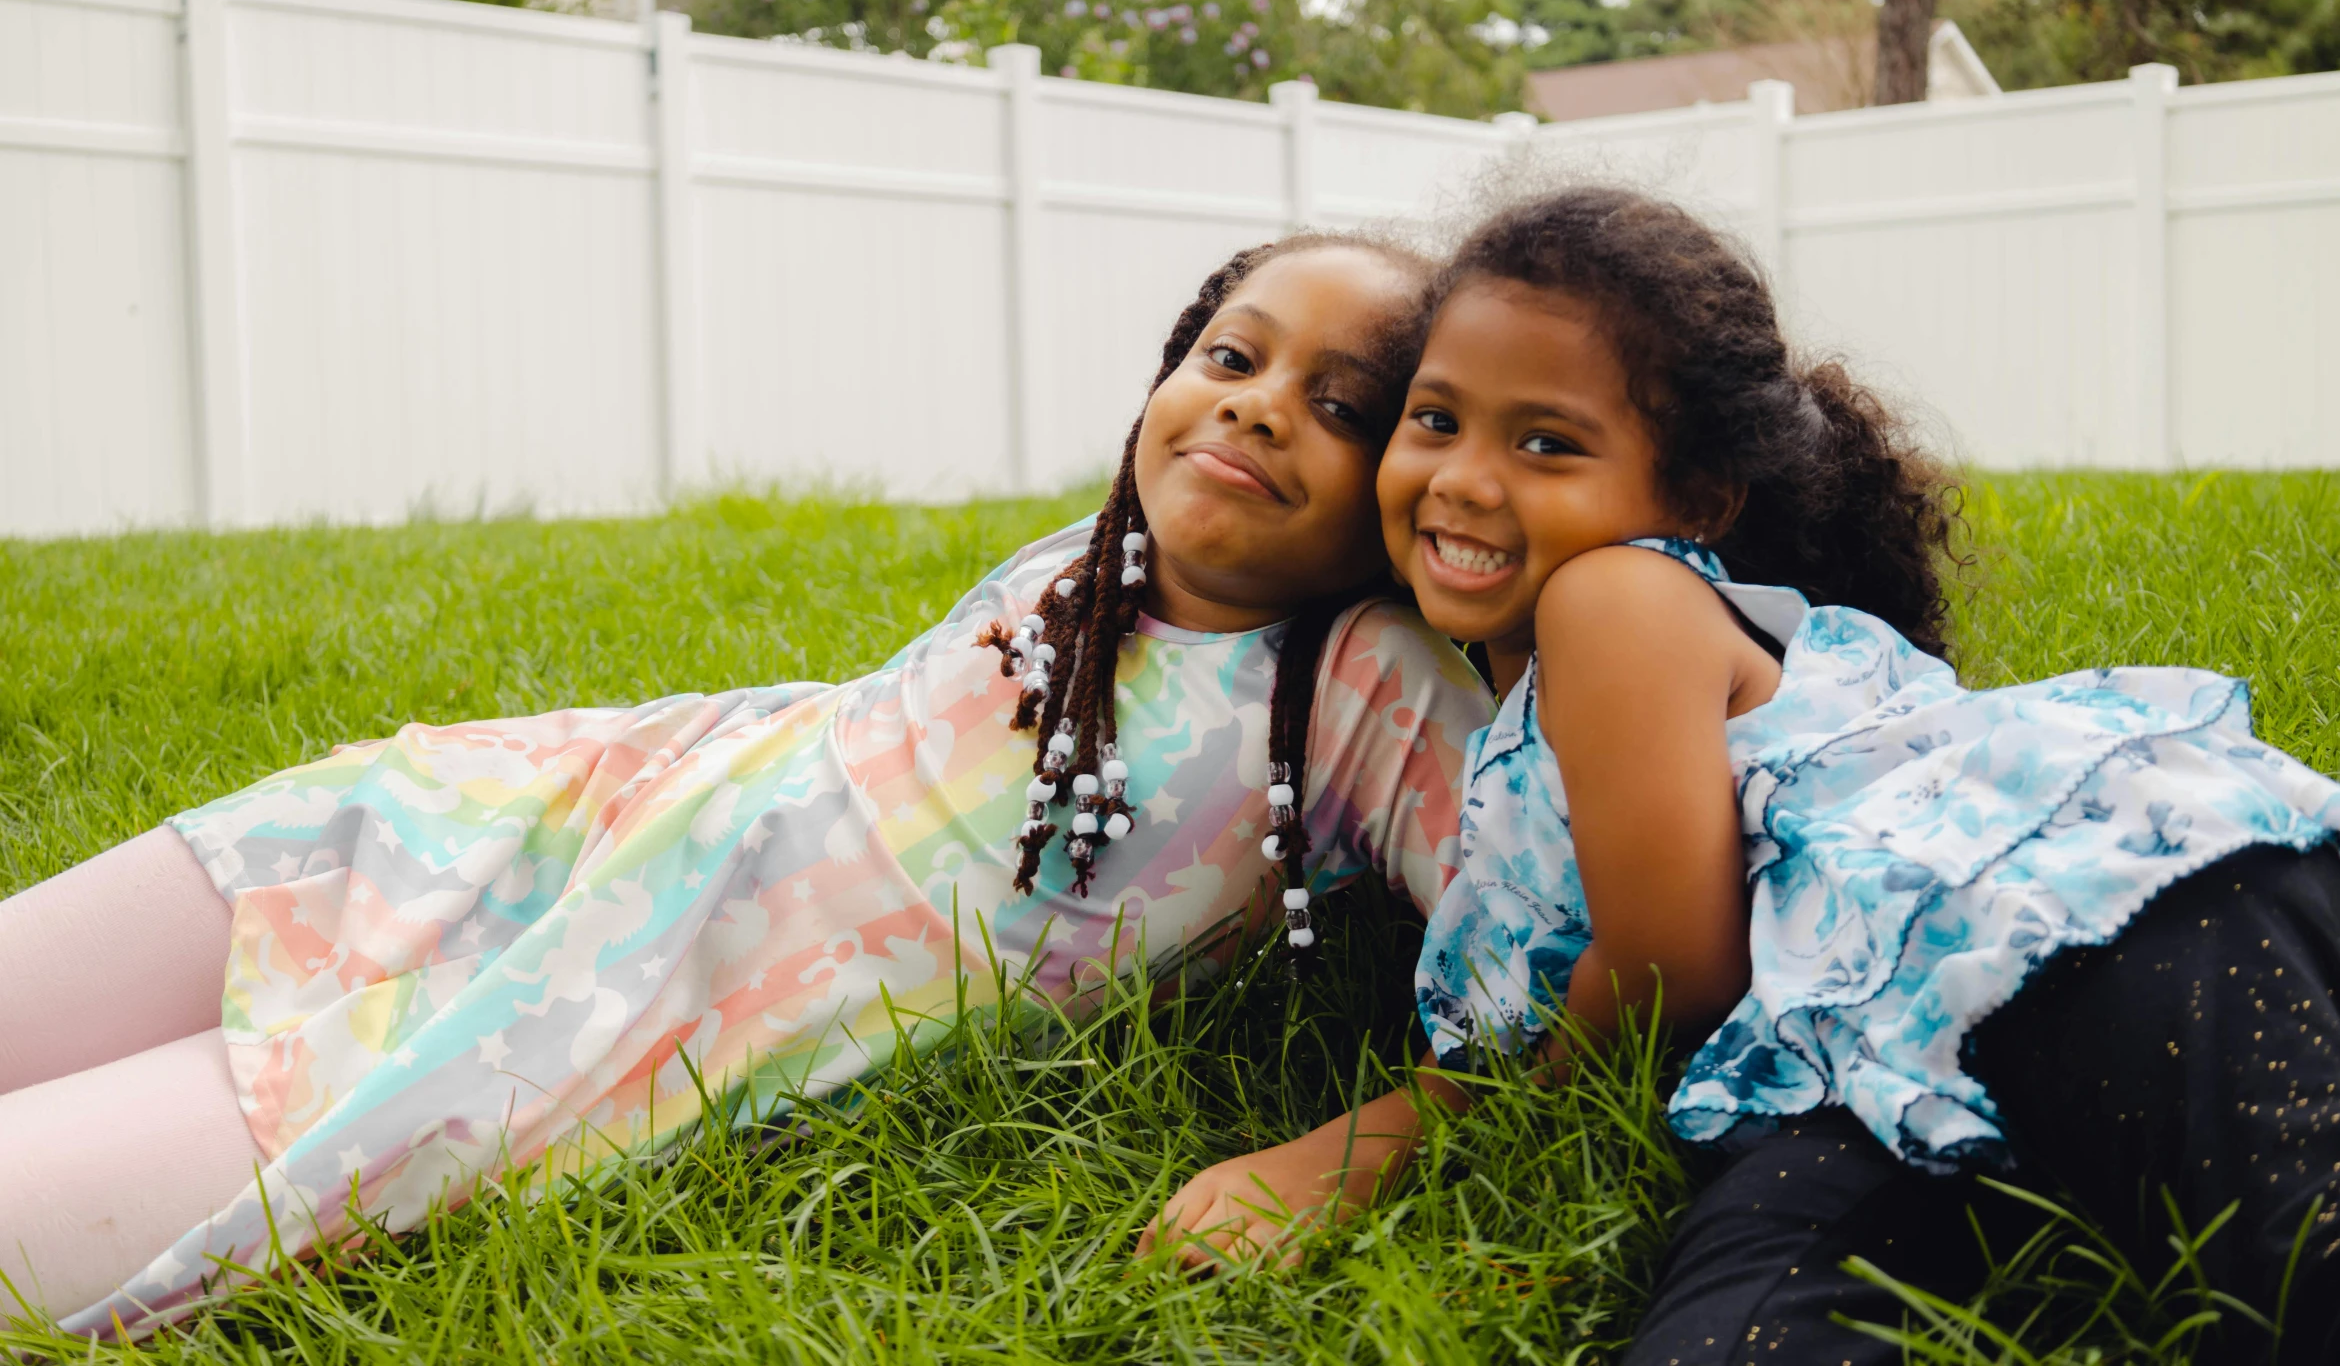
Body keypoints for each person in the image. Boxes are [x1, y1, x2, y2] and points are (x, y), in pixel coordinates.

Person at [0, 231, 1497, 1337]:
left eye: (1344, 402)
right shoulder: (1096, 554)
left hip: (602, 1016)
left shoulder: (1364, 683)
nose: (1251, 404)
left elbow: (1560, 970)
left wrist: (1352, 1145)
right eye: (1227, 356)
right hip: (514, 819)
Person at [1200, 183, 2340, 1363]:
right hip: (1855, 1064)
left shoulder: (1614, 600)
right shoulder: (1521, 718)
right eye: (1435, 420)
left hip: (2091, 913)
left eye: (1546, 443)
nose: (1463, 478)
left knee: (2303, 1274)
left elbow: (1671, 969)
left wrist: (1362, 1147)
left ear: (1696, 498)